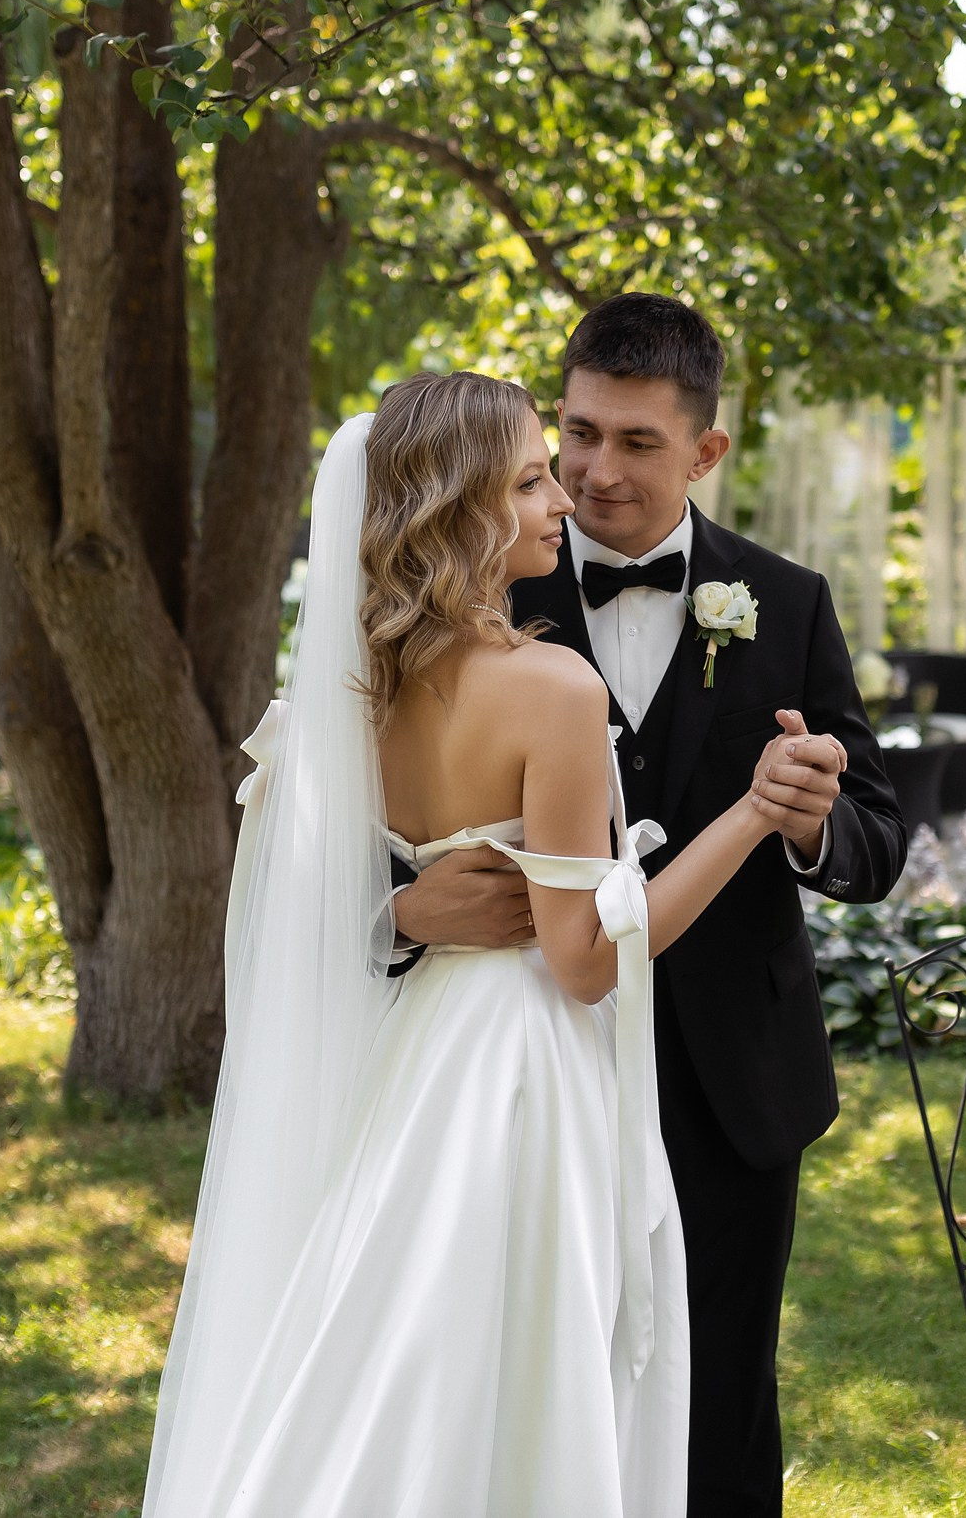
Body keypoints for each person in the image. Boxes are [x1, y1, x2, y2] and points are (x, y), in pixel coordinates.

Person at [143, 371, 815, 1518]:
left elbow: (297, 901)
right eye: (531, 478)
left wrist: (398, 910)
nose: (565, 498)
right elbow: (585, 957)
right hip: (522, 1074)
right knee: (525, 1364)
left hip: (412, 1064)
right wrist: (750, 817)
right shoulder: (551, 688)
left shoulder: (351, 689)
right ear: (460, 511)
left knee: (398, 1353)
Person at [396, 295, 909, 1517]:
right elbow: (361, 835)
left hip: (732, 1079)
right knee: (533, 1389)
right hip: (531, 1072)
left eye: (634, 442)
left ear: (705, 452)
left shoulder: (783, 600)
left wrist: (805, 822)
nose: (591, 470)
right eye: (576, 433)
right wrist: (405, 911)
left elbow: (877, 839)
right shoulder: (468, 592)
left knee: (721, 1398)